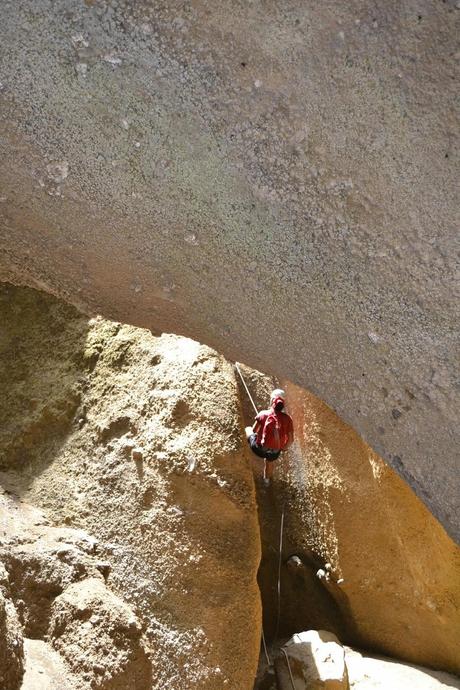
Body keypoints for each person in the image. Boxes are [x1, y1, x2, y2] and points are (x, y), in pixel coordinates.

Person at [245, 389, 294, 485]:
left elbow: (254, 430)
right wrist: (284, 448)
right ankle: (266, 481)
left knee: (248, 429)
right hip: (275, 452)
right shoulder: (288, 419)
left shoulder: (263, 414)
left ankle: (243, 450)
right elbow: (291, 439)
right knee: (269, 462)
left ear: (272, 401)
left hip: (259, 449)